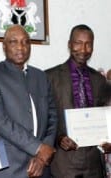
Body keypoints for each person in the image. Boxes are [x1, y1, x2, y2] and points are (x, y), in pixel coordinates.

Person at [0, 25, 57, 178]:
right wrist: (37, 148)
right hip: (8, 168)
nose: (20, 47)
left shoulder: (41, 76)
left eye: (25, 42)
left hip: (40, 167)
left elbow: (52, 117)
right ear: (4, 46)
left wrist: (42, 155)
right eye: (13, 42)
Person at [46, 24, 106, 178]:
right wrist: (59, 138)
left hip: (94, 164)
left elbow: (106, 116)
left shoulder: (100, 80)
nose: (83, 49)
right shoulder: (50, 77)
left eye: (88, 44)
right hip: (63, 164)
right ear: (69, 44)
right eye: (78, 43)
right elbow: (44, 119)